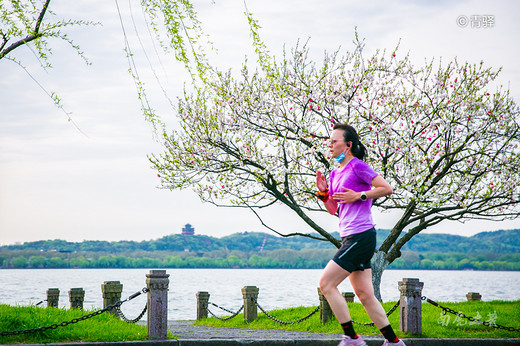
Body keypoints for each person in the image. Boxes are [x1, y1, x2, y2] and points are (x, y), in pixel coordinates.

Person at [316, 123, 405, 346]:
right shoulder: (335, 172)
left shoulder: (358, 167)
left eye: (334, 141)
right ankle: (393, 342)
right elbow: (334, 209)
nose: (330, 144)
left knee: (326, 284)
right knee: (365, 295)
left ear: (348, 145)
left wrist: (360, 195)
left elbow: (386, 188)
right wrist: (323, 192)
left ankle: (352, 338)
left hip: (361, 235)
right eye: (329, 140)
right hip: (349, 236)